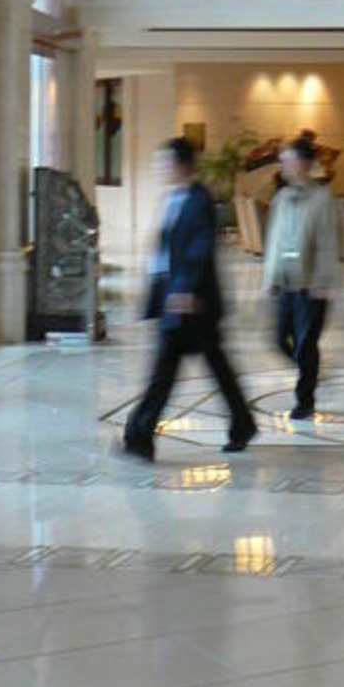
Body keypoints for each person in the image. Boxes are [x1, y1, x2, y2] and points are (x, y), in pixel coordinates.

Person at [123, 136, 257, 462]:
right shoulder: (173, 198)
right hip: (175, 297)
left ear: (182, 165)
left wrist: (184, 290)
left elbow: (199, 251)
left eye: (165, 162)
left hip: (193, 303)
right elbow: (166, 252)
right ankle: (242, 423)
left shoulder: (200, 200)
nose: (159, 168)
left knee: (167, 371)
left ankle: (139, 435)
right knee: (209, 366)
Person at [262, 133, 343, 421]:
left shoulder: (322, 198)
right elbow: (274, 240)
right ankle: (312, 372)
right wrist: (270, 278)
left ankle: (304, 401)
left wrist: (323, 281)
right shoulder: (282, 197)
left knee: (306, 344)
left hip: (310, 285)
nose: (283, 164)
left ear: (305, 164)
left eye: (288, 159)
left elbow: (327, 242)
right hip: (285, 282)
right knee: (278, 340)